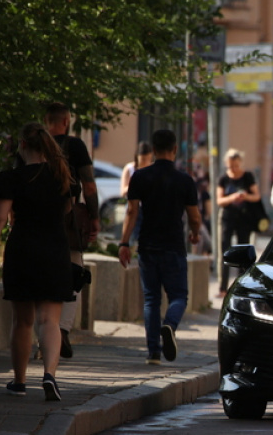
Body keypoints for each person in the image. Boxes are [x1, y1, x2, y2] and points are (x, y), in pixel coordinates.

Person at [0, 123, 74, 401]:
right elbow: (67, 211)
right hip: (55, 250)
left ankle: (19, 382)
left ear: (21, 145)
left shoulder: (11, 178)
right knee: (50, 321)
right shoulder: (62, 177)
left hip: (23, 249)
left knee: (22, 321)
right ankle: (49, 375)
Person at [117, 129, 202, 365]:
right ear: (175, 150)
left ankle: (153, 352)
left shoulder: (140, 177)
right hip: (173, 247)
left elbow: (132, 211)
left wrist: (124, 243)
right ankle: (170, 325)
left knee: (151, 299)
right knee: (178, 296)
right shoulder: (185, 180)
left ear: (153, 150)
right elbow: (194, 217)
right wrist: (195, 234)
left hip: (147, 247)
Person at [44, 102, 99, 360]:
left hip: (37, 220)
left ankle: (44, 340)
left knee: (40, 279)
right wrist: (95, 216)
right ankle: (62, 330)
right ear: (66, 121)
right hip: (69, 221)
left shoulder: (35, 144)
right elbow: (88, 185)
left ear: (46, 121)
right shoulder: (75, 146)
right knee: (74, 272)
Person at [216, 148, 261, 295]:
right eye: (230, 166)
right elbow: (220, 200)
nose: (233, 169)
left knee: (243, 252)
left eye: (236, 166)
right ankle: (222, 287)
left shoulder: (247, 176)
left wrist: (245, 196)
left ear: (240, 163)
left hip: (244, 219)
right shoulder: (223, 179)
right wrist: (232, 198)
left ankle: (241, 286)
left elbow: (256, 196)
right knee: (225, 252)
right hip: (227, 218)